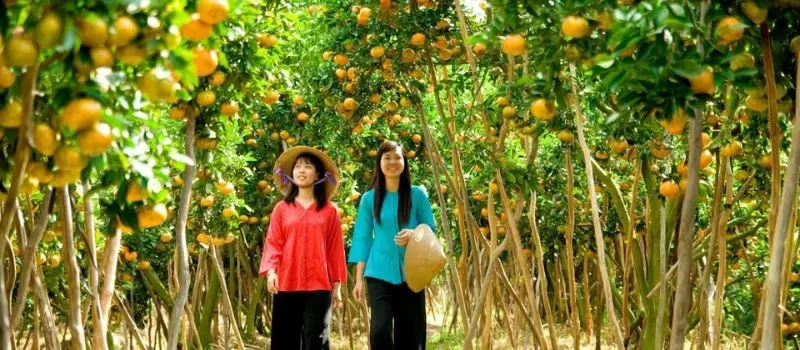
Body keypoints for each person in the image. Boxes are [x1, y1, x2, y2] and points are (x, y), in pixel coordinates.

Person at [349, 140, 437, 349]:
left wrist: (415, 234)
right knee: (380, 330)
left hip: (413, 273)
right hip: (379, 272)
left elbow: (431, 229)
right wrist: (359, 279)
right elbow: (362, 238)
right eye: (386, 157)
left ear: (404, 162)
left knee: (411, 335)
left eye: (397, 157)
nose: (392, 162)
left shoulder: (418, 195)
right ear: (379, 162)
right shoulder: (369, 199)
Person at [258, 146, 347, 350]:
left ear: (318, 175)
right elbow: (273, 241)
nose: (301, 170)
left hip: (319, 285)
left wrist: (337, 287)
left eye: (308, 167)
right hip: (287, 282)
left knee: (317, 340)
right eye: (298, 166)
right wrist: (271, 272)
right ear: (291, 174)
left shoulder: (330, 211)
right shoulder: (281, 209)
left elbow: (335, 249)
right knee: (285, 339)